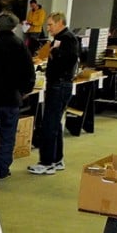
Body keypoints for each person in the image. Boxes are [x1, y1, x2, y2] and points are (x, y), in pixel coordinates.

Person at [0, 11, 36, 180]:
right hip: (12, 99)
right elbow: (29, 72)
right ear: (13, 25)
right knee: (8, 135)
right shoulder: (20, 45)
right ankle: (4, 169)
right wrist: (24, 91)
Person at [27, 13, 79, 175]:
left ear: (60, 23)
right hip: (58, 84)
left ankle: (46, 162)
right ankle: (57, 159)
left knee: (49, 124)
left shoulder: (67, 39)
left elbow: (66, 60)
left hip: (59, 85)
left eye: (50, 25)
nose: (48, 28)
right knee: (55, 123)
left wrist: (52, 54)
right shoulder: (62, 38)